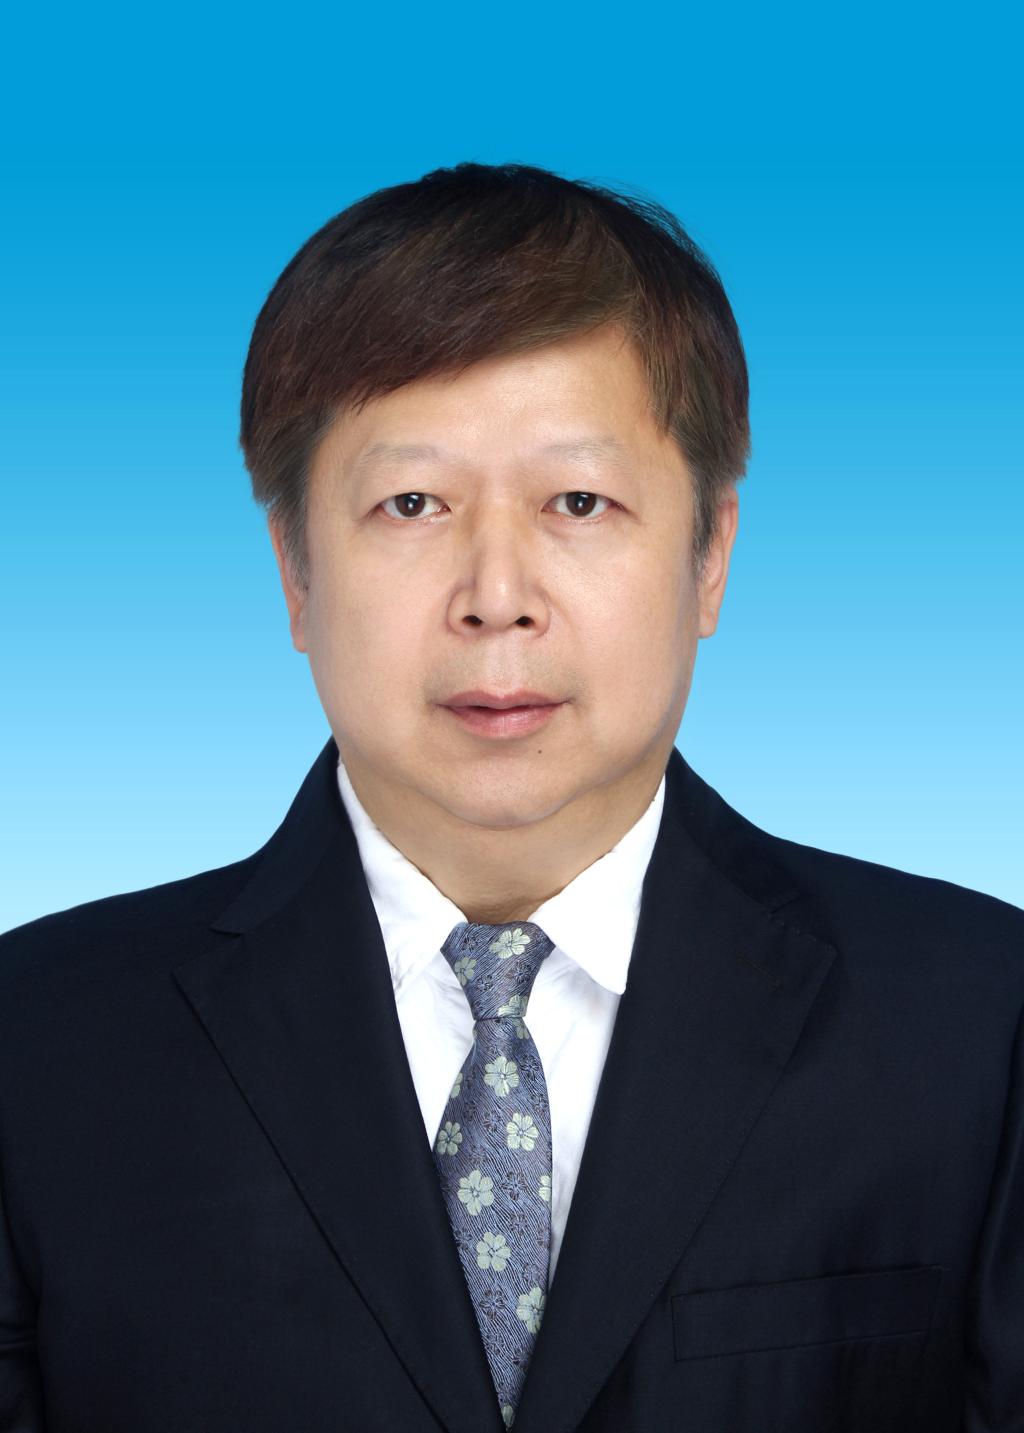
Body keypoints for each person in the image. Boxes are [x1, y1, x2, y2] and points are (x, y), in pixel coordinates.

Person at [0, 161, 1021, 1433]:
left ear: (709, 555)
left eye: (577, 501)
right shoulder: (35, 1044)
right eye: (412, 503)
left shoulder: (978, 1022)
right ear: (295, 571)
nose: (497, 596)